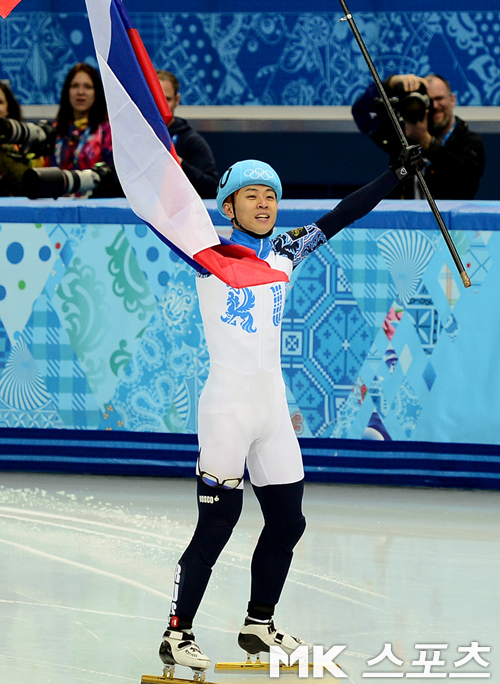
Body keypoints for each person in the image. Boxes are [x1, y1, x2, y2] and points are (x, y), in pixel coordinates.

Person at [158, 150, 423, 676]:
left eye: (272, 194)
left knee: (288, 522)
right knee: (218, 525)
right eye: (251, 195)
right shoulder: (207, 252)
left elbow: (343, 214)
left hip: (273, 411)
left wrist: (394, 175)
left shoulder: (285, 251)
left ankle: (258, 623)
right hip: (228, 411)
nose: (265, 202)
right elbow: (166, 206)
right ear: (228, 207)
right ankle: (177, 632)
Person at [351, 73, 485, 200]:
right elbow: (363, 113)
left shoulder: (470, 142)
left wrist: (426, 141)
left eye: (439, 99)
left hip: (448, 221)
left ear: (452, 100)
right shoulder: (405, 136)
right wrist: (390, 84)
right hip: (405, 219)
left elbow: (467, 180)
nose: (435, 106)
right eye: (428, 100)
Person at [49, 63, 120, 197]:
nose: (80, 92)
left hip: (95, 204)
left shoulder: (107, 132)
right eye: (75, 86)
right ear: (67, 91)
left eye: (88, 87)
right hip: (57, 204)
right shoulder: (55, 131)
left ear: (97, 93)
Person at [156, 69, 219, 199]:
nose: (160, 106)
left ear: (177, 100)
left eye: (166, 99)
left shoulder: (191, 141)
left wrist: (180, 164)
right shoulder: (136, 139)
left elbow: (212, 188)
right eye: (155, 99)